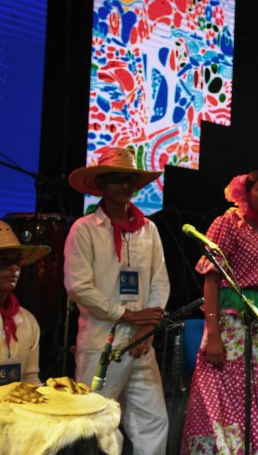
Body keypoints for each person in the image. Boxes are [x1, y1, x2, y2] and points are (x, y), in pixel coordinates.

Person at [181, 170, 258, 455]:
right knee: (232, 396)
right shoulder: (228, 225)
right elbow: (211, 278)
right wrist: (212, 334)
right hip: (233, 324)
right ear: (245, 194)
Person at [64, 147, 170, 455]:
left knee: (153, 420)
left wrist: (145, 327)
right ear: (101, 184)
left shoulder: (148, 229)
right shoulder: (84, 229)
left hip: (140, 343)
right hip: (102, 340)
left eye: (130, 179)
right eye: (116, 179)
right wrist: (127, 315)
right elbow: (78, 287)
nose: (125, 186)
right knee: (96, 424)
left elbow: (160, 282)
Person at [0, 220, 50, 386]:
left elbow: (30, 379)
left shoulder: (27, 321)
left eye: (17, 260)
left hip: (16, 409)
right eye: (4, 259)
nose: (14, 267)